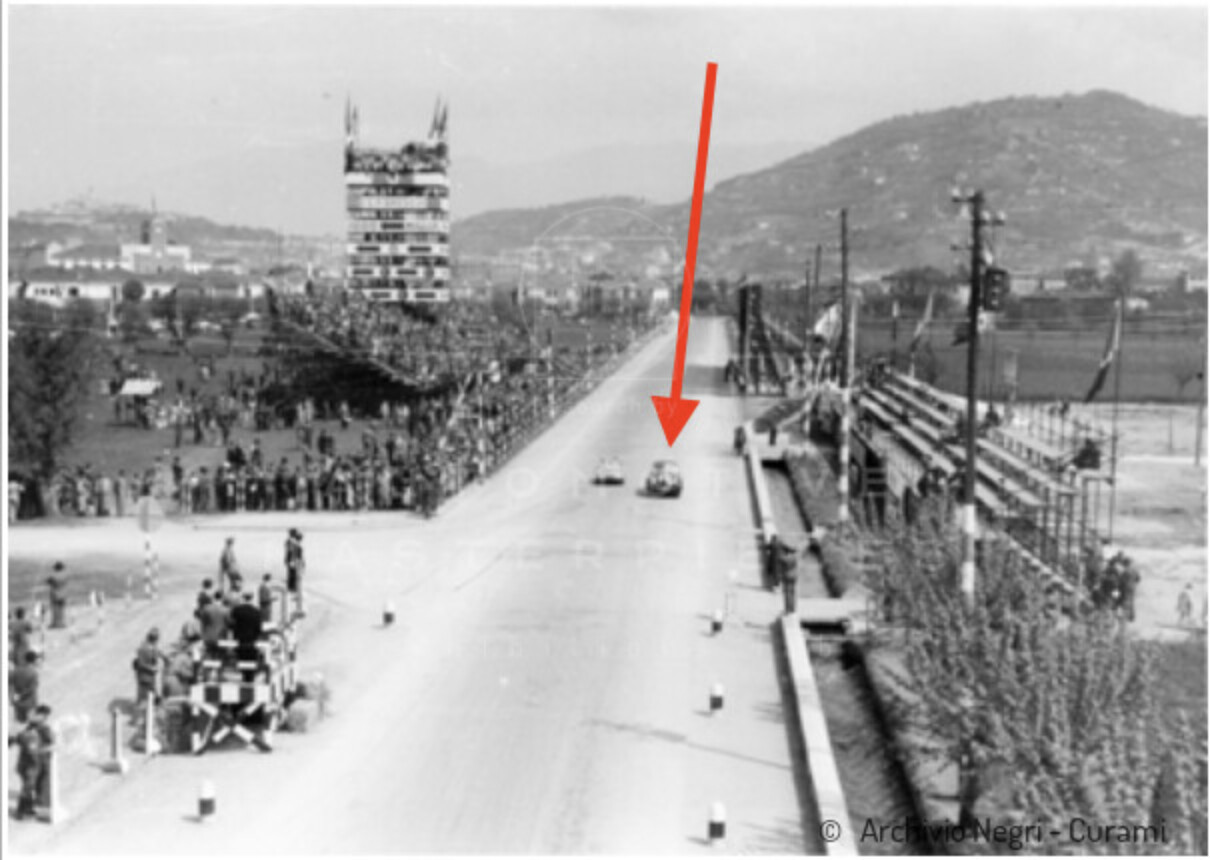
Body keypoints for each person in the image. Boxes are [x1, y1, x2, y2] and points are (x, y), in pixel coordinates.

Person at [13, 704, 54, 821]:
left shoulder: (37, 727)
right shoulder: (35, 728)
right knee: (28, 787)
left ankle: (28, 809)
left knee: (30, 786)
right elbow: (29, 744)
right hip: (29, 764)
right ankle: (22, 812)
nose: (45, 718)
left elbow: (48, 742)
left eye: (45, 716)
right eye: (43, 715)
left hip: (30, 764)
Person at [133, 628, 167, 704]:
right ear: (154, 639)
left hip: (145, 674)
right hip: (146, 674)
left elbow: (157, 651)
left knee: (147, 690)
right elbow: (142, 663)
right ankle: (156, 700)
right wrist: (152, 668)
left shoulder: (148, 645)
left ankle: (153, 700)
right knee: (146, 691)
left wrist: (163, 656)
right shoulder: (147, 648)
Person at [229, 593, 264, 667]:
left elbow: (232, 624)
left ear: (243, 599)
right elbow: (258, 628)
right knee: (251, 662)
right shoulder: (256, 611)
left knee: (241, 660)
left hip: (240, 640)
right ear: (251, 599)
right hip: (251, 640)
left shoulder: (237, 610)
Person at [9, 651, 41, 723]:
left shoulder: (16, 670)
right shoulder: (34, 673)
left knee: (19, 723)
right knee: (30, 724)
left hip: (18, 703)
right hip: (29, 703)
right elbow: (32, 690)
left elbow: (9, 684)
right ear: (34, 660)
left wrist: (13, 698)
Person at [285, 529, 305, 616]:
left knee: (297, 578)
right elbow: (296, 555)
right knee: (298, 579)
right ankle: (296, 594)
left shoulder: (295, 544)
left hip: (297, 563)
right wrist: (298, 563)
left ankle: (296, 592)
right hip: (297, 563)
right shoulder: (297, 545)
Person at [780, 542, 800, 615]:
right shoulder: (794, 557)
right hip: (794, 576)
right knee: (793, 593)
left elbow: (781, 560)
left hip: (787, 577)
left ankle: (787, 609)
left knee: (787, 593)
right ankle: (792, 609)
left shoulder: (785, 558)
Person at [47, 566, 67, 630]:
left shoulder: (53, 576)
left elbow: (48, 581)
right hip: (63, 594)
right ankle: (61, 623)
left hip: (55, 594)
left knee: (55, 610)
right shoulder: (64, 576)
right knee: (61, 610)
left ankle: (55, 624)